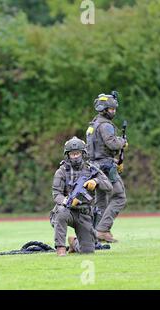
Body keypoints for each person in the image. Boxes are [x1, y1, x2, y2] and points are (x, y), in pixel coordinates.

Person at [50, 137, 113, 256]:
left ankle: (73, 243)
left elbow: (109, 186)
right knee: (61, 211)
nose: (75, 156)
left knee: (88, 251)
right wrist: (67, 201)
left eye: (77, 153)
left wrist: (96, 181)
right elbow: (56, 194)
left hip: (84, 213)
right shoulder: (62, 171)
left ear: (83, 153)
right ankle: (61, 248)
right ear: (67, 155)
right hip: (67, 211)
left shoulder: (91, 169)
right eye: (72, 154)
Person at [86, 93, 128, 242]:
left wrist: (114, 160)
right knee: (119, 197)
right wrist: (122, 142)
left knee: (101, 201)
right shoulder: (106, 125)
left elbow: (97, 150)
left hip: (94, 166)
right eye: (111, 109)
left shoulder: (94, 124)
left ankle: (94, 235)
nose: (114, 112)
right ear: (104, 109)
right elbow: (112, 144)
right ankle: (103, 230)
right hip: (105, 167)